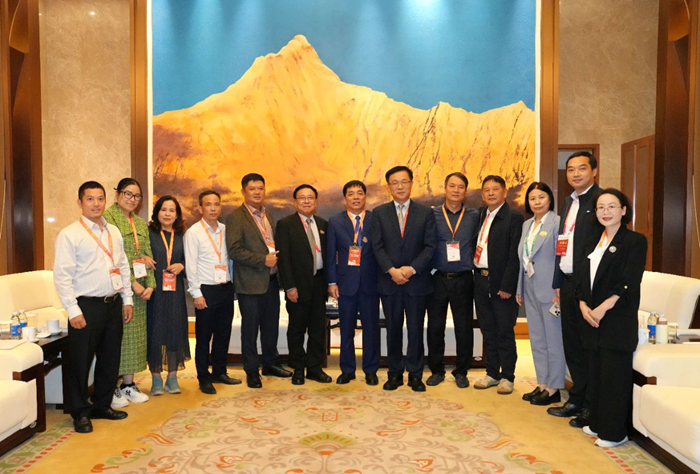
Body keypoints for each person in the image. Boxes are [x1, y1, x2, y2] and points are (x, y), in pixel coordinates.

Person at [53, 181, 134, 433]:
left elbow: (122, 266)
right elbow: (62, 276)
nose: (96, 204)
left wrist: (127, 298)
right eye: (90, 199)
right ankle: (79, 412)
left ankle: (102, 405)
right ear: (80, 202)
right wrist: (73, 310)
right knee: (80, 361)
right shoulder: (70, 234)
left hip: (113, 303)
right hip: (86, 306)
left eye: (100, 199)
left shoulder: (114, 232)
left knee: (110, 359)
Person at [574, 189, 646, 448]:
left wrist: (603, 307)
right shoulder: (594, 240)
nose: (606, 212)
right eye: (601, 207)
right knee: (596, 374)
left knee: (614, 377)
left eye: (612, 206)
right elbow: (582, 278)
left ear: (624, 211)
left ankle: (615, 433)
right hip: (592, 317)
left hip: (616, 318)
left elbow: (629, 282)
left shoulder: (634, 241)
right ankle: (597, 423)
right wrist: (582, 304)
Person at [548, 151, 603, 427]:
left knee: (589, 347)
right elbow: (563, 244)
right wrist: (557, 282)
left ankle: (592, 406)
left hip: (590, 286)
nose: (576, 174)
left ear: (594, 170)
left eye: (582, 168)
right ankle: (577, 398)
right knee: (572, 344)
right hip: (568, 283)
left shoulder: (601, 201)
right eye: (571, 169)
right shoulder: (570, 201)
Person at [371, 165, 436, 392]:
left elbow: (430, 247)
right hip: (390, 282)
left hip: (416, 282)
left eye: (404, 181)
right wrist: (392, 270)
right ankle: (395, 373)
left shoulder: (425, 213)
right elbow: (377, 246)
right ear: (389, 186)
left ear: (411, 183)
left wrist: (411, 269)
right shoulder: (379, 213)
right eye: (395, 182)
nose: (400, 186)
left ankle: (415, 375)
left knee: (416, 330)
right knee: (393, 330)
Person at [226, 173, 292, 389]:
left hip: (271, 281)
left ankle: (270, 363)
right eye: (252, 188)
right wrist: (262, 260)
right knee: (250, 329)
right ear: (243, 191)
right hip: (249, 283)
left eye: (260, 188)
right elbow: (234, 250)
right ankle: (251, 370)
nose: (257, 192)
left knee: (270, 326)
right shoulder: (236, 217)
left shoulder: (267, 214)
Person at [103, 178, 155, 407]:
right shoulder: (108, 219)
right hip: (120, 288)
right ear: (117, 195)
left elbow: (148, 255)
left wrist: (150, 284)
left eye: (137, 196)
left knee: (135, 340)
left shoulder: (140, 223)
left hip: (142, 290)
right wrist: (132, 284)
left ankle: (128, 385)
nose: (132, 199)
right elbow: (114, 259)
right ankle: (111, 387)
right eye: (128, 194)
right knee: (118, 339)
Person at [185, 190, 241, 394]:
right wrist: (196, 294)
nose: (213, 208)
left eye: (216, 204)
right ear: (201, 208)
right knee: (203, 337)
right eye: (208, 204)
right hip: (206, 290)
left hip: (225, 288)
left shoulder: (227, 229)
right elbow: (190, 265)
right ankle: (203, 377)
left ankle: (219, 372)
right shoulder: (193, 232)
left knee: (223, 334)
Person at [426, 172, 479, 388]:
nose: (456, 190)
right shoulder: (432, 214)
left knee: (463, 327)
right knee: (435, 327)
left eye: (460, 187)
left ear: (465, 191)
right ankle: (436, 370)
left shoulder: (475, 216)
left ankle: (461, 371)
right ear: (445, 188)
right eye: (452, 186)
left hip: (464, 278)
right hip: (437, 278)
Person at [472, 175, 523, 395]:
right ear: (482, 194)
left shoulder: (514, 218)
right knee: (488, 330)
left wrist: (507, 286)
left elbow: (515, 256)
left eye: (495, 189)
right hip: (480, 280)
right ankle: (492, 373)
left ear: (504, 192)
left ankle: (507, 376)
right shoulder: (480, 215)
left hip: (501, 283)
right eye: (487, 190)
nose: (491, 193)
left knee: (504, 331)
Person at [275, 184, 331, 385]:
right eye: (302, 198)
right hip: (297, 286)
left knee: (317, 330)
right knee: (296, 330)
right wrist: (289, 286)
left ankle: (314, 369)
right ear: (295, 202)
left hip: (319, 283)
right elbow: (283, 259)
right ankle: (298, 368)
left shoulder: (323, 224)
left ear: (316, 201)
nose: (306, 201)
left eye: (310, 198)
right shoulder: (285, 224)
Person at [516, 182, 565, 405]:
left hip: (550, 289)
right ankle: (543, 383)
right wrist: (519, 287)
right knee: (536, 339)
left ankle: (554, 387)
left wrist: (559, 287)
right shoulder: (527, 225)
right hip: (529, 286)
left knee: (553, 339)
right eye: (532, 198)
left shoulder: (557, 223)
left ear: (550, 199)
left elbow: (561, 258)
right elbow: (523, 259)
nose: (537, 202)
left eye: (541, 197)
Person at [327, 180, 380, 386]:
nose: (356, 197)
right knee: (346, 329)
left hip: (370, 283)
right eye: (351, 194)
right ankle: (347, 370)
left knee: (371, 329)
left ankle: (371, 370)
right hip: (345, 284)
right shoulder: (335, 221)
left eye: (359, 193)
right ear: (345, 199)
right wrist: (332, 282)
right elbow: (330, 255)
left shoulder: (375, 220)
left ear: (365, 197)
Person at [147, 196, 190, 395]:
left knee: (175, 331)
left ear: (177, 214)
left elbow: (192, 260)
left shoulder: (183, 236)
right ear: (157, 212)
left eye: (172, 210)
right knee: (155, 331)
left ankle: (172, 376)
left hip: (175, 292)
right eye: (163, 209)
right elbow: (138, 256)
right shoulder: (149, 234)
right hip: (155, 291)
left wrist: (183, 265)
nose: (167, 214)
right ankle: (156, 377)